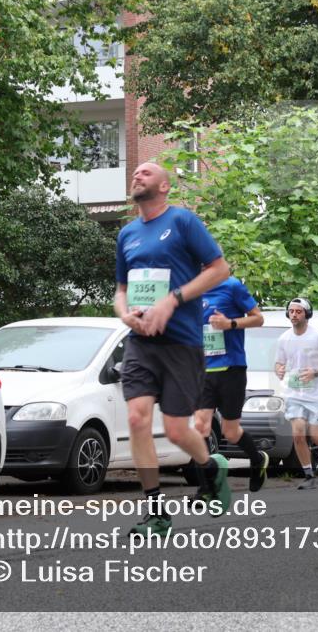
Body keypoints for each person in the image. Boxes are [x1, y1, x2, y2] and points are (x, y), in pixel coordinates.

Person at [114, 162, 232, 537]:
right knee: (136, 419)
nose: (137, 176)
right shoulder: (126, 234)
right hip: (141, 343)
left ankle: (212, 468)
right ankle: (155, 512)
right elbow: (120, 290)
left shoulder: (182, 222)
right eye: (135, 173)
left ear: (164, 186)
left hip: (181, 342)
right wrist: (125, 315)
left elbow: (219, 269)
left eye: (146, 173)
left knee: (178, 431)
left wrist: (172, 300)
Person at [195, 277, 266, 493]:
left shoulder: (232, 286)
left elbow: (258, 319)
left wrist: (230, 324)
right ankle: (206, 487)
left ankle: (257, 460)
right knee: (200, 427)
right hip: (202, 370)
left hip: (231, 369)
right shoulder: (189, 289)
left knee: (231, 432)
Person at [275, 298, 318, 490]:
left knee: (317, 438)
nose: (294, 315)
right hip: (294, 393)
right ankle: (308, 475)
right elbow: (279, 363)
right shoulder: (284, 338)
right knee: (298, 434)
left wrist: (315, 373)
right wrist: (279, 370)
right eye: (291, 311)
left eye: (298, 311)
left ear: (307, 314)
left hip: (317, 395)